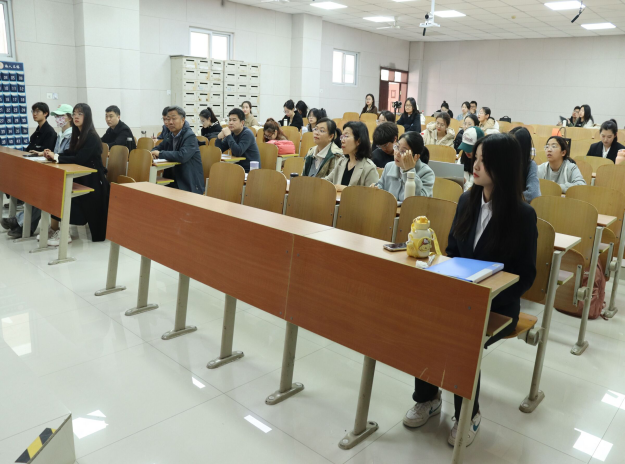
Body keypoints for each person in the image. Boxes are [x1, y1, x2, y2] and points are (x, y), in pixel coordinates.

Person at [403, 132, 538, 448]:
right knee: (424, 322)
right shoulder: (467, 200)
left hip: (498, 305)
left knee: (460, 336)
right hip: (459, 297)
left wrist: (486, 297)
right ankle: (428, 398)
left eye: (483, 161)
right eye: (474, 158)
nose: (474, 166)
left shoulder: (522, 215)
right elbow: (453, 251)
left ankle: (468, 414)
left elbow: (526, 275)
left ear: (503, 167)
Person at [3, 104, 75, 239]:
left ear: (70, 118)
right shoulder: (61, 134)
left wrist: (52, 155)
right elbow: (57, 153)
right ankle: (21, 221)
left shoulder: (73, 136)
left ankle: (23, 223)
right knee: (35, 187)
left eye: (61, 116)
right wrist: (45, 153)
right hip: (56, 171)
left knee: (41, 190)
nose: (57, 118)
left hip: (66, 175)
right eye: (57, 116)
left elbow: (68, 157)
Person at [42, 103, 110, 245]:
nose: (76, 117)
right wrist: (53, 155)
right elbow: (70, 153)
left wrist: (57, 157)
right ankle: (58, 230)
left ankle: (64, 233)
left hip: (93, 180)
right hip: (82, 176)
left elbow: (80, 159)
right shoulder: (77, 134)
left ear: (87, 116)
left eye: (80, 114)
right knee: (57, 190)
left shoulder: (92, 136)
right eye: (74, 114)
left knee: (65, 192)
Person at [150, 106, 204, 194]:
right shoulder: (170, 135)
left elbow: (182, 156)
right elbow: (158, 148)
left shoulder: (190, 136)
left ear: (183, 120)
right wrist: (153, 153)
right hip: (173, 179)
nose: (170, 122)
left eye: (174, 119)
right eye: (168, 119)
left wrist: (160, 154)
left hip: (187, 183)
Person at [374, 131, 434, 201]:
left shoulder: (427, 173)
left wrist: (409, 170)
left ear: (416, 157)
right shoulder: (389, 166)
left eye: (403, 151)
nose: (397, 153)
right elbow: (381, 187)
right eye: (397, 147)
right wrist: (376, 189)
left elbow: (419, 200)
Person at [324, 121, 379, 191]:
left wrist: (345, 189)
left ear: (358, 141)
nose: (342, 141)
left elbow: (372, 194)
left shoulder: (369, 168)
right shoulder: (341, 161)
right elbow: (327, 181)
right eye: (342, 136)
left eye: (346, 136)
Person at [216, 108, 261, 173]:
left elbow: (238, 152)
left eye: (234, 120)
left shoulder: (247, 133)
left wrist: (228, 136)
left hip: (250, 171)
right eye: (230, 120)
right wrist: (219, 138)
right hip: (238, 169)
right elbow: (220, 150)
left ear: (242, 122)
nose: (231, 123)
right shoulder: (232, 133)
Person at [509, 126, 541, 203]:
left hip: (518, 206)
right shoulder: (501, 162)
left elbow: (533, 194)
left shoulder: (530, 165)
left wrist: (509, 197)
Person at [457, 126, 485, 191]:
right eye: (465, 147)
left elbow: (477, 190)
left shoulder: (483, 166)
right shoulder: (462, 159)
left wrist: (465, 182)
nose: (466, 151)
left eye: (470, 148)